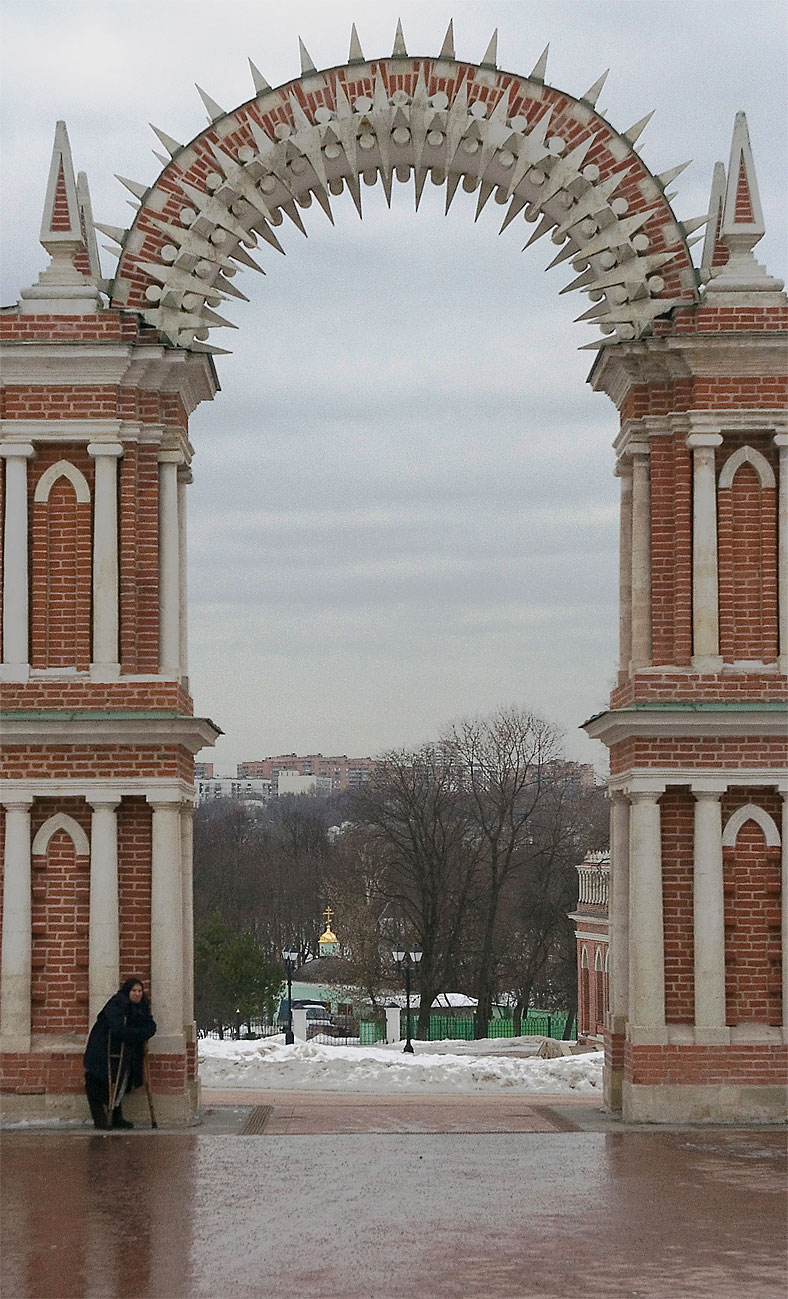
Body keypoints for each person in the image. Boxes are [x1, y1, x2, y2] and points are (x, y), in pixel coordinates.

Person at [83, 977, 156, 1129]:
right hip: (103, 1049)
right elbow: (118, 1029)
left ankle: (116, 1116)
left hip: (125, 1052)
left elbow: (150, 1025)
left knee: (121, 1080)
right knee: (102, 1081)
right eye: (134, 991)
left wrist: (138, 1032)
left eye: (140, 991)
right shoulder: (117, 1004)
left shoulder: (142, 1006)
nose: (137, 994)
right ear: (127, 991)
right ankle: (101, 1118)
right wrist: (138, 1033)